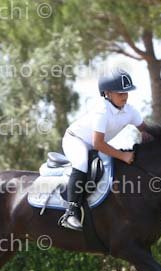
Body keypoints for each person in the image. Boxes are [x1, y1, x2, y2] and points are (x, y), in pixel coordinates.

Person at [59, 68, 145, 230]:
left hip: (95, 145)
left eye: (126, 92)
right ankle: (71, 213)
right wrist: (123, 155)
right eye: (120, 93)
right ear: (107, 93)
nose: (125, 96)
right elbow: (98, 143)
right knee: (81, 163)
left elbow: (146, 131)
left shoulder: (130, 111)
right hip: (76, 140)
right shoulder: (102, 110)